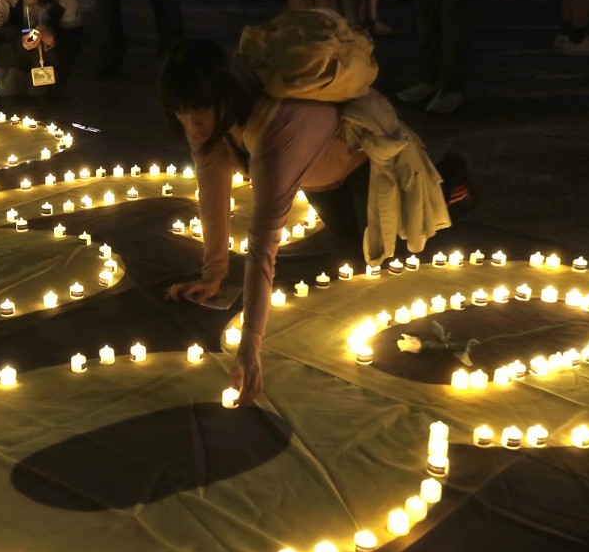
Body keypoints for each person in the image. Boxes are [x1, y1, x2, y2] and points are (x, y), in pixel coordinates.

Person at [160, 34, 470, 404]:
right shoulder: (213, 125)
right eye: (182, 109)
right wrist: (213, 275)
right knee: (353, 241)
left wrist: (250, 348)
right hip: (323, 178)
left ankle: (452, 181)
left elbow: (263, 243)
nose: (193, 122)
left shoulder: (277, 129)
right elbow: (212, 193)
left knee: (394, 255)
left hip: (371, 166)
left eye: (201, 108)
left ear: (226, 93)